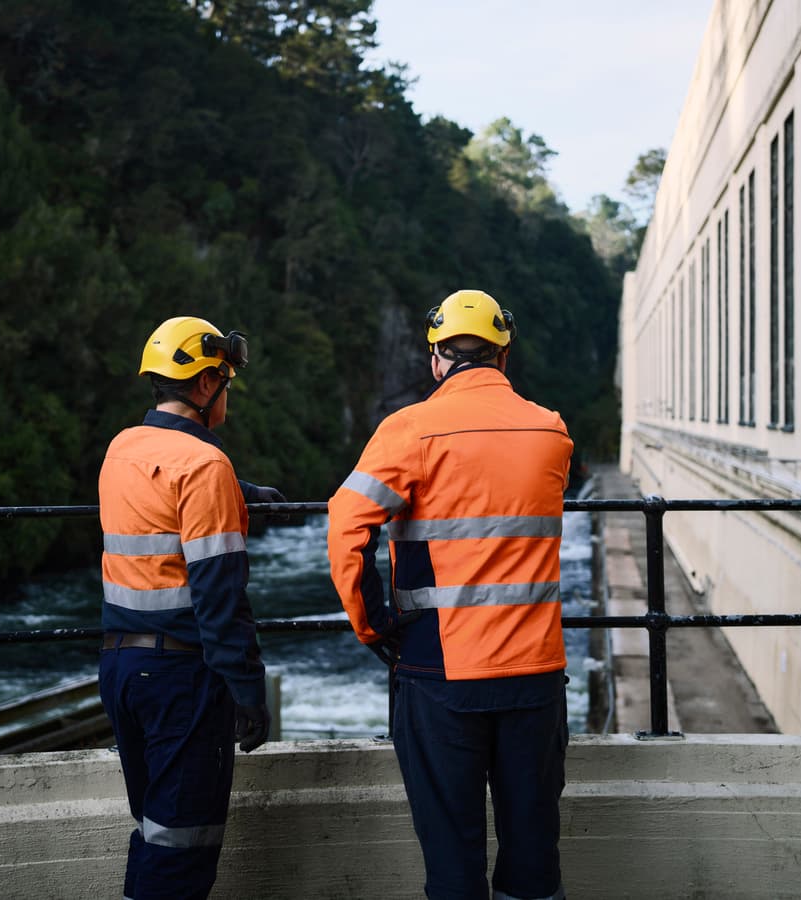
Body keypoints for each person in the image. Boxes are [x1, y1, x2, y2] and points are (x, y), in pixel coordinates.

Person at [327, 289, 573, 900]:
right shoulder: (552, 431)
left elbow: (345, 526)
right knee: (533, 853)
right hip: (535, 676)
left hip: (439, 673)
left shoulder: (407, 431)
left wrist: (370, 623)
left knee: (453, 855)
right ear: (503, 356)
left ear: (437, 357)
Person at [97, 316, 284, 900]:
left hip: (121, 670)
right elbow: (220, 598)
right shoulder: (206, 468)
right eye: (224, 380)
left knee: (155, 834)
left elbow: (161, 496)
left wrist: (240, 491)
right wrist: (248, 691)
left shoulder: (122, 448)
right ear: (204, 387)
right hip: (182, 680)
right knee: (181, 854)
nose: (226, 391)